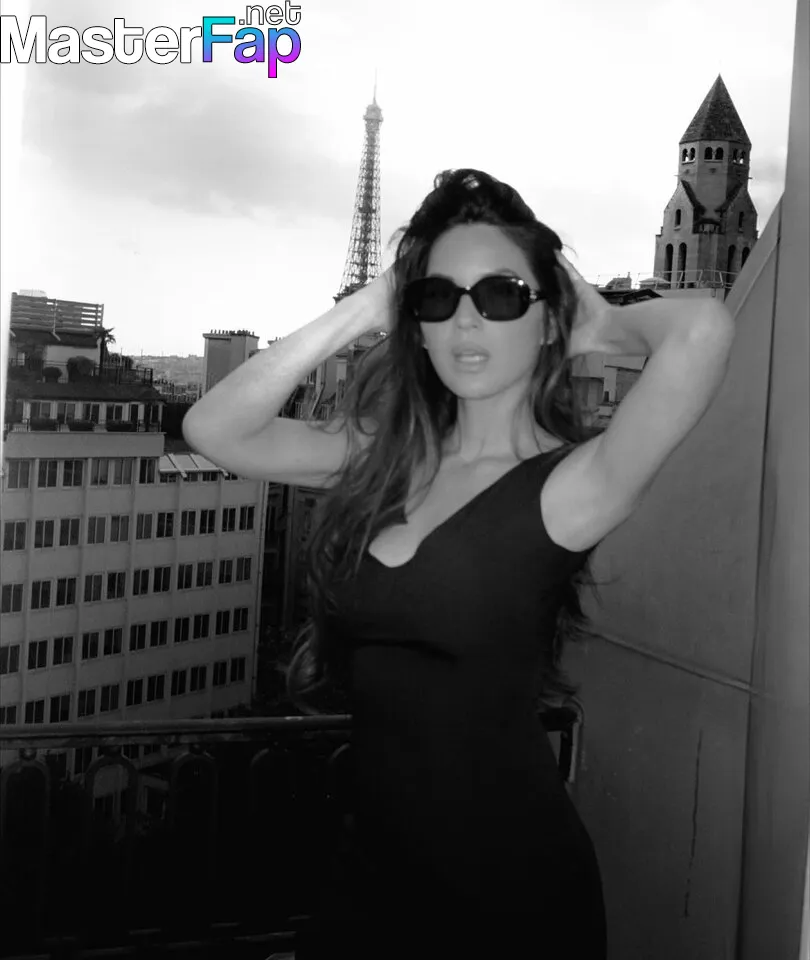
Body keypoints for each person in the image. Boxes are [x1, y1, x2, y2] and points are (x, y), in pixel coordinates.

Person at [183, 169, 735, 959]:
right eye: (438, 297)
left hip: (509, 894)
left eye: (502, 295)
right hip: (370, 877)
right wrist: (367, 305)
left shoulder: (571, 488)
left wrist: (600, 323)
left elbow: (703, 330)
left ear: (547, 318)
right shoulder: (383, 457)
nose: (466, 319)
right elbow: (214, 429)